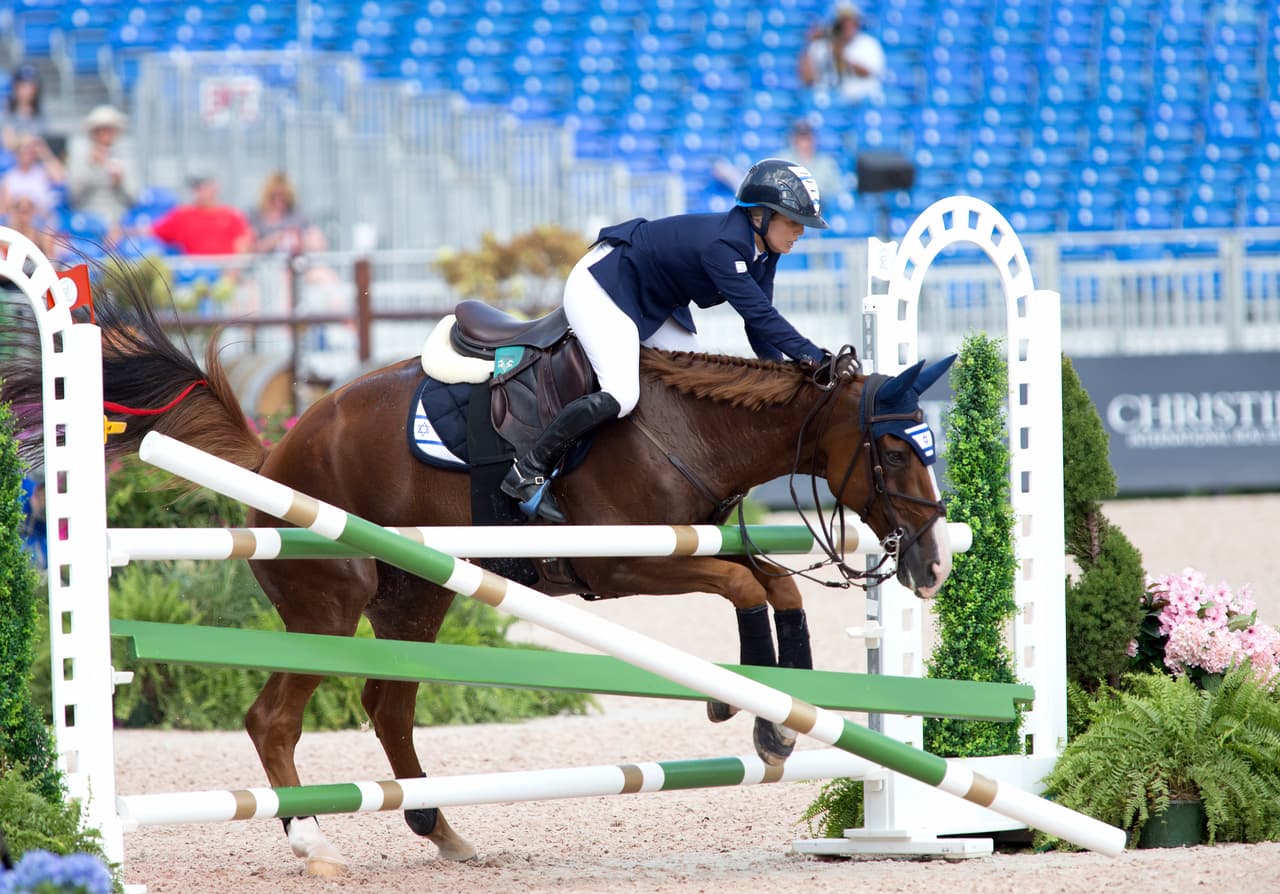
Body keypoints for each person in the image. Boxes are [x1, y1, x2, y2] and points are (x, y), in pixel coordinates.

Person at [501, 158, 840, 523]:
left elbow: (758, 325)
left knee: (695, 389)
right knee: (622, 395)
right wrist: (814, 357)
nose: (800, 232)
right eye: (793, 221)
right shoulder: (725, 245)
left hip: (657, 299)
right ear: (762, 215)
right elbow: (760, 316)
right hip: (604, 284)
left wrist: (783, 374)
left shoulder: (765, 251)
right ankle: (528, 469)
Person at [65, 104, 137, 248]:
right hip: (87, 218)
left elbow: (134, 197)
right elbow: (73, 195)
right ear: (94, 133)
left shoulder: (126, 157)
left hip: (119, 218)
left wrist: (120, 182)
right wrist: (91, 167)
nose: (106, 134)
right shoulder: (80, 157)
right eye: (102, 129)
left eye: (110, 129)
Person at [798, 2, 886, 106]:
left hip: (861, 101)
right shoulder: (821, 45)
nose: (846, 26)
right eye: (842, 22)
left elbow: (867, 73)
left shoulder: (868, 44)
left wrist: (840, 56)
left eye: (851, 21)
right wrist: (809, 44)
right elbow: (807, 79)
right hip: (828, 102)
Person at [151, 173, 253, 255]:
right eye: (198, 187)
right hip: (193, 270)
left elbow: (243, 245)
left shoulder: (232, 215)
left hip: (226, 269)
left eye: (205, 186)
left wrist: (233, 270)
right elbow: (153, 231)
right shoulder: (181, 215)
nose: (201, 192)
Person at [247, 170, 328, 256]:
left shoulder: (297, 215)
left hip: (293, 261)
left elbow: (319, 243)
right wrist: (274, 240)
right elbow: (247, 248)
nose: (279, 199)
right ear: (268, 195)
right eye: (275, 195)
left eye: (284, 195)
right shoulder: (255, 216)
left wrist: (301, 241)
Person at [780, 120, 845, 206]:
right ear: (794, 140)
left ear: (814, 140)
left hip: (821, 208)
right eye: (801, 139)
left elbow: (837, 192)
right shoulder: (782, 160)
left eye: (808, 139)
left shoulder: (827, 163)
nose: (805, 143)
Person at [0, 132, 64, 217]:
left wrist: (44, 152)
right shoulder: (9, 177)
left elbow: (60, 178)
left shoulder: (42, 172)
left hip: (42, 218)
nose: (27, 155)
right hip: (18, 219)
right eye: (23, 151)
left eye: (30, 152)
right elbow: (4, 208)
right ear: (17, 153)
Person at [1, 64, 52, 153]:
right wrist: (28, 140)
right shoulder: (6, 112)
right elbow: (8, 143)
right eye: (24, 86)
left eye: (31, 86)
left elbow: (45, 144)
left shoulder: (41, 115)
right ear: (15, 87)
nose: (28, 91)